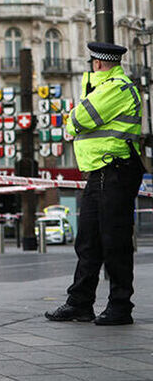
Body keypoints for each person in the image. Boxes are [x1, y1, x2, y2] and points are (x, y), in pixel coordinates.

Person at [45, 42, 144, 326]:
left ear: (98, 63)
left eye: (92, 63)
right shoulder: (101, 88)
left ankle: (120, 306)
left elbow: (78, 118)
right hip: (98, 174)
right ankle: (80, 303)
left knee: (115, 242)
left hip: (115, 171)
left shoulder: (117, 87)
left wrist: (73, 118)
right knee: (88, 241)